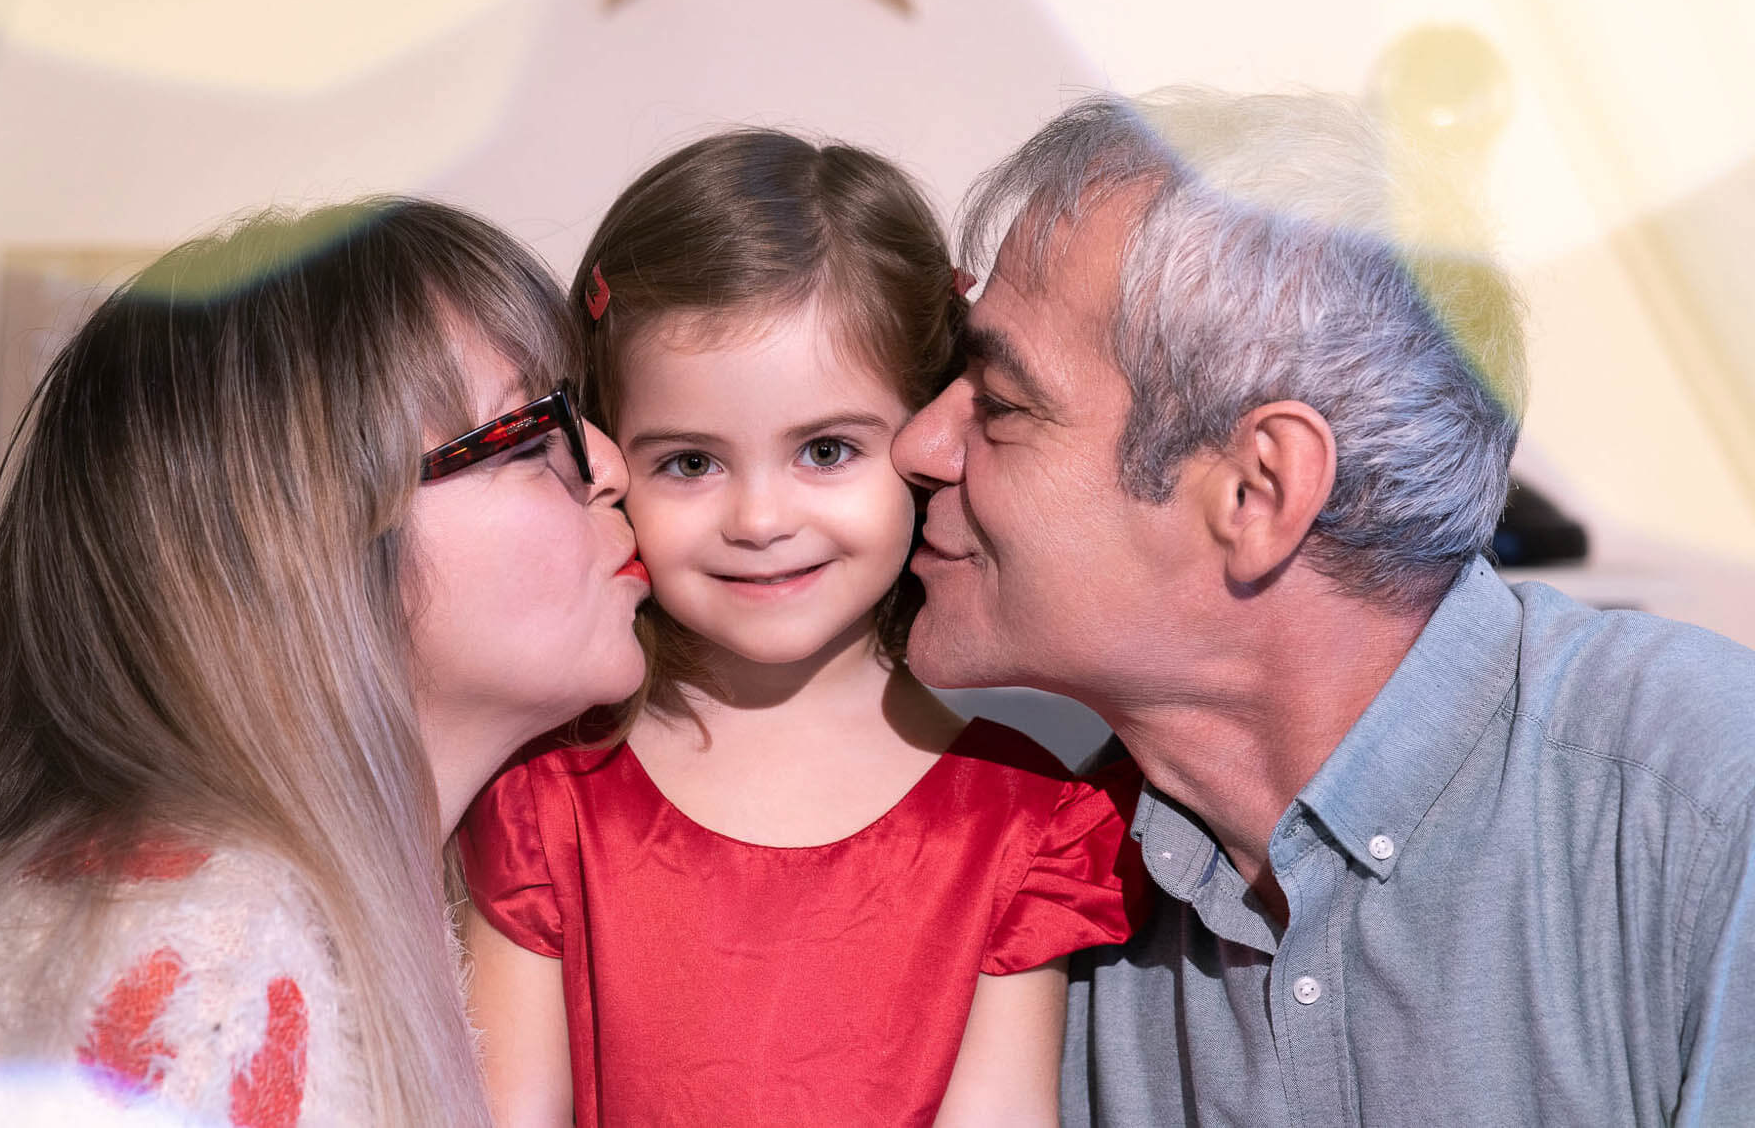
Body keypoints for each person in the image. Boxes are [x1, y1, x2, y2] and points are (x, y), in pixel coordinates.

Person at [892, 88, 1755, 1125]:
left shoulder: (1704, 811)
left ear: (1255, 494)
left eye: (1000, 404)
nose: (918, 447)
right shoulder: (1051, 904)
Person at [0, 199, 652, 1127]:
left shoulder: (260, 931)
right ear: (311, 549)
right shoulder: (199, 991)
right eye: (531, 431)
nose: (613, 464)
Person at [456, 130, 1150, 1128]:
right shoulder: (545, 797)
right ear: (609, 458)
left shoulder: (1022, 818)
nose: (758, 519)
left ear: (925, 436)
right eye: (690, 462)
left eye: (824, 449)